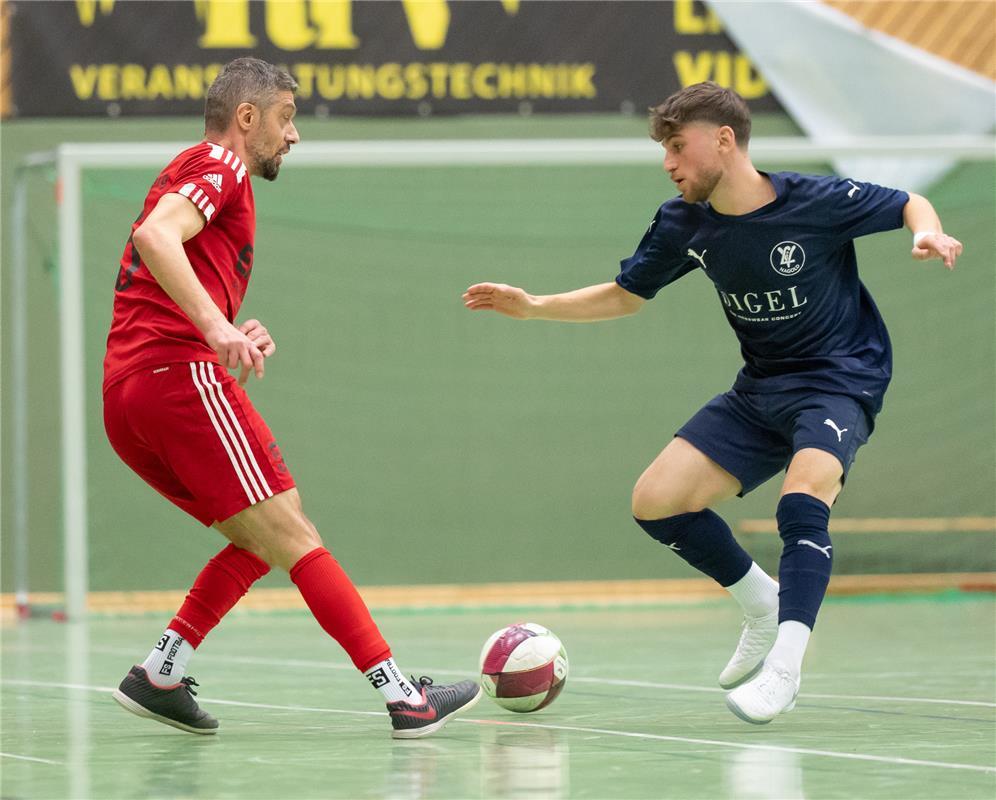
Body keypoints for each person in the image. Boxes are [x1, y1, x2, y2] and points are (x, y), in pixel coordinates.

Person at [463, 81, 962, 724]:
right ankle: (760, 601)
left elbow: (910, 203)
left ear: (724, 140)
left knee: (803, 499)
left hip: (840, 379)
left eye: (677, 146)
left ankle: (784, 666)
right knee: (655, 501)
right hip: (760, 388)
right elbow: (626, 293)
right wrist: (535, 307)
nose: (668, 163)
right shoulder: (683, 223)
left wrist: (929, 233)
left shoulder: (814, 201)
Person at [103, 57, 480, 739]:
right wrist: (214, 328)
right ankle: (404, 698)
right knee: (297, 533)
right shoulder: (222, 164)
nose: (294, 134)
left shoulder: (201, 172)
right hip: (174, 378)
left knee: (265, 537)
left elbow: (167, 256)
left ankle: (160, 673)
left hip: (131, 395)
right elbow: (155, 236)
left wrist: (225, 320)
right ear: (248, 119)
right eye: (286, 116)